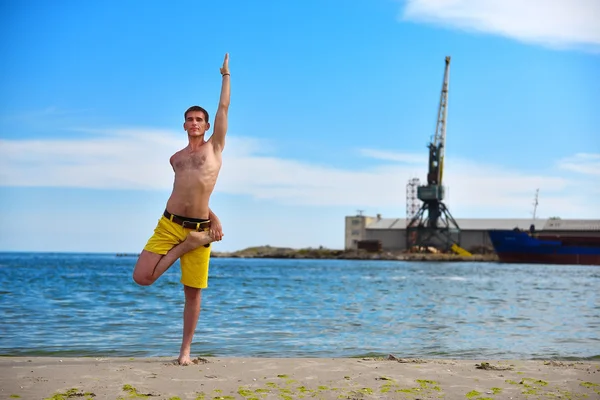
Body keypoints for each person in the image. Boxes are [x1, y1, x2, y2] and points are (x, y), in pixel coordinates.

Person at [132, 53, 231, 366]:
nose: (194, 123)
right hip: (170, 225)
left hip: (200, 232)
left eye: (199, 120)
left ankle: (185, 353)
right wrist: (213, 216)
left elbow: (224, 107)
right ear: (183, 124)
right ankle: (183, 248)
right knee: (142, 277)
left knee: (192, 294)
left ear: (207, 125)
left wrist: (225, 76)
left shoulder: (214, 147)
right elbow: (190, 193)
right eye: (189, 119)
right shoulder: (175, 158)